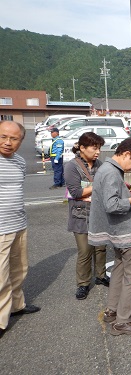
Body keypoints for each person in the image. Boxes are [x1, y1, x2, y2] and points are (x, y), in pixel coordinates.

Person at [88, 136, 131, 336]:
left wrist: (129, 194)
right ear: (125, 154)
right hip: (126, 232)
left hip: (117, 232)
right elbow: (112, 205)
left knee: (119, 270)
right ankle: (124, 321)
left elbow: (111, 199)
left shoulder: (106, 169)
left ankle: (112, 310)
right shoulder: (111, 173)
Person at [0, 120, 41, 338]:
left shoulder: (19, 162)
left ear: (21, 141)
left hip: (18, 224)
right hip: (0, 228)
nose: (7, 142)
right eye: (3, 137)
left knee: (19, 269)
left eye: (13, 138)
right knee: (0, 277)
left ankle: (17, 305)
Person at [64, 132, 109, 301]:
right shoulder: (72, 166)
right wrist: (98, 185)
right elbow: (76, 192)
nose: (97, 152)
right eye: (94, 148)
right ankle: (83, 284)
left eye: (99, 148)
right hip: (80, 215)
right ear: (82, 148)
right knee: (85, 251)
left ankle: (101, 275)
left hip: (99, 214)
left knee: (101, 247)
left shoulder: (100, 165)